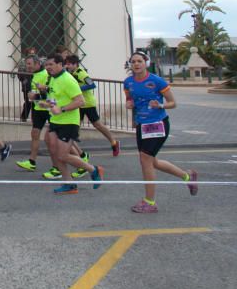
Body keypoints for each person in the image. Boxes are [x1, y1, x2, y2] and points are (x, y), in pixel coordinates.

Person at [124, 50, 198, 212]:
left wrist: (161, 105)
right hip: (142, 125)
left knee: (145, 161)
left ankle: (150, 202)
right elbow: (130, 99)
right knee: (152, 162)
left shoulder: (156, 81)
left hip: (158, 124)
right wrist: (129, 104)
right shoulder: (128, 82)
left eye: (139, 61)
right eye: (133, 61)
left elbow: (173, 103)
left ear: (146, 63)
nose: (136, 64)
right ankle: (187, 176)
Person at [39, 54, 103, 195]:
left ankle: (93, 169)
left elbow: (80, 101)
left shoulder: (68, 80)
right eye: (47, 65)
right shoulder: (52, 79)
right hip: (56, 121)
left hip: (68, 123)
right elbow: (53, 100)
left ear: (60, 64)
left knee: (62, 155)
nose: (48, 67)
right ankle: (69, 184)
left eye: (51, 64)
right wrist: (39, 100)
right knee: (55, 152)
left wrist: (61, 109)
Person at [65, 55, 120, 157]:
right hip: (78, 104)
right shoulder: (70, 73)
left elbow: (92, 85)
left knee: (97, 125)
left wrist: (78, 89)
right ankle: (76, 151)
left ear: (75, 64)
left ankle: (113, 142)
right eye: (66, 64)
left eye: (69, 64)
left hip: (88, 103)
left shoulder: (81, 73)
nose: (67, 66)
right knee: (74, 125)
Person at [16, 55, 50, 172]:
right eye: (27, 64)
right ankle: (32, 162)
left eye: (29, 64)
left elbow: (51, 95)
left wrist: (35, 96)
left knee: (57, 138)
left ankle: (80, 156)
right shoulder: (33, 75)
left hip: (50, 109)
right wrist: (34, 98)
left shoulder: (46, 74)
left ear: (37, 63)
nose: (27, 66)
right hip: (38, 108)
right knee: (35, 133)